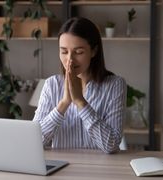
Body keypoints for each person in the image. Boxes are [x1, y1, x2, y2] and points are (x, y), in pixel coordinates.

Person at [33, 17, 127, 154]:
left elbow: (111, 145)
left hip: (100, 170)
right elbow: (35, 141)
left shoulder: (115, 85)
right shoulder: (51, 85)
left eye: (78, 52)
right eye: (64, 51)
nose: (70, 59)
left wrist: (80, 102)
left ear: (94, 51)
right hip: (61, 169)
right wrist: (64, 103)